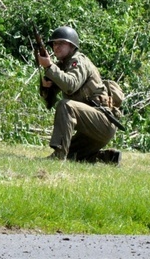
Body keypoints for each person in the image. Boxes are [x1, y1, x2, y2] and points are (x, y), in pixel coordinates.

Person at [36, 26, 121, 164]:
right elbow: (49, 103)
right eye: (54, 44)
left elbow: (70, 85)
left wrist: (49, 67)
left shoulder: (78, 61)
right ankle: (104, 157)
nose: (56, 47)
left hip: (103, 121)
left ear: (71, 45)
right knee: (72, 155)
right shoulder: (62, 66)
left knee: (66, 106)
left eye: (61, 43)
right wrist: (46, 87)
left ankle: (59, 156)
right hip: (90, 128)